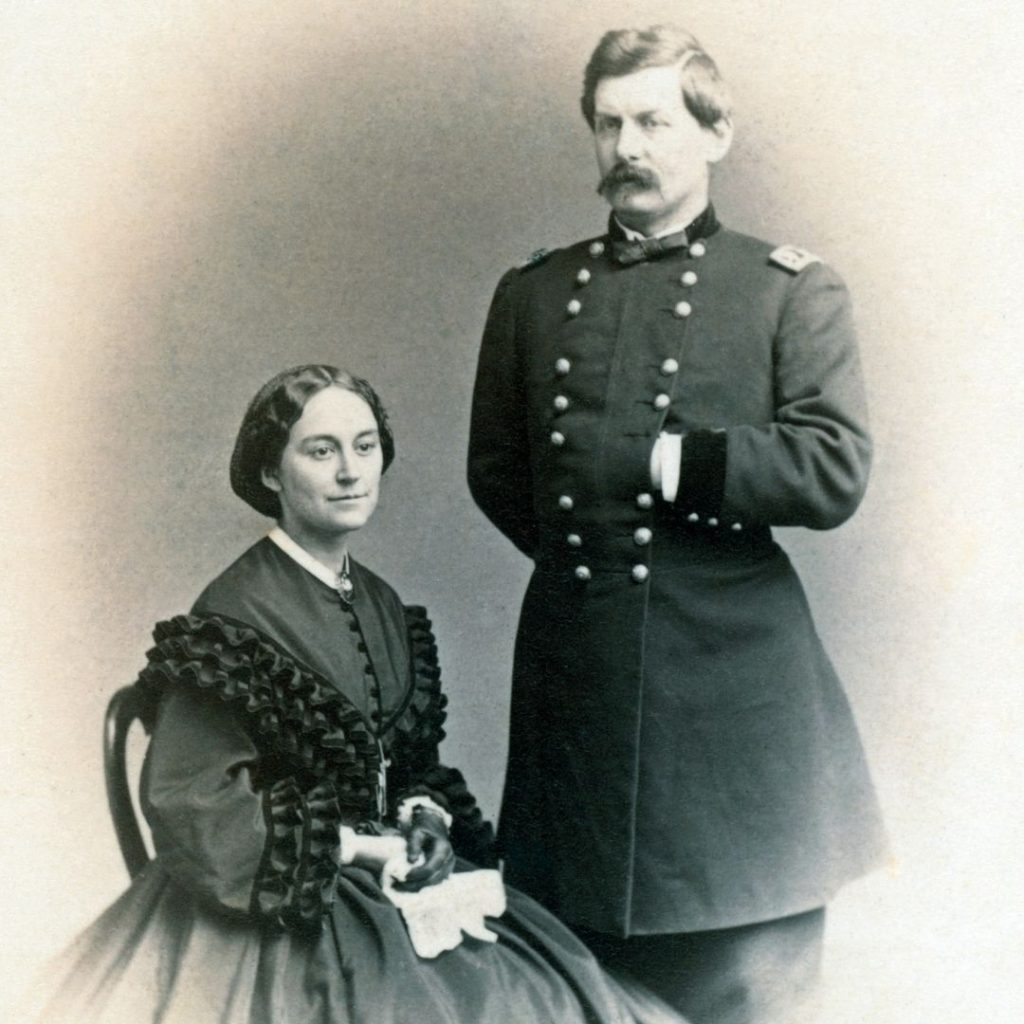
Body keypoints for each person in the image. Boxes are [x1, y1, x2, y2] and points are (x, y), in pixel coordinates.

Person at [22, 365, 685, 1024]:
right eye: (321, 450)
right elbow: (193, 801)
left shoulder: (380, 600)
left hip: (387, 885)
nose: (350, 471)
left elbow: (407, 765)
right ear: (269, 474)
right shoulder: (233, 613)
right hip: (278, 907)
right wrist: (357, 847)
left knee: (555, 994)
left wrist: (422, 821)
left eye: (365, 447)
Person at [467, 25, 887, 1024]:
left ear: (715, 132)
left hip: (734, 707)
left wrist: (673, 466)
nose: (628, 147)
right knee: (570, 984)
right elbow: (498, 472)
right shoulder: (530, 294)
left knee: (746, 987)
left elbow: (833, 467)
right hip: (579, 690)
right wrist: (604, 558)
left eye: (653, 120)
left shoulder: (788, 288)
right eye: (608, 124)